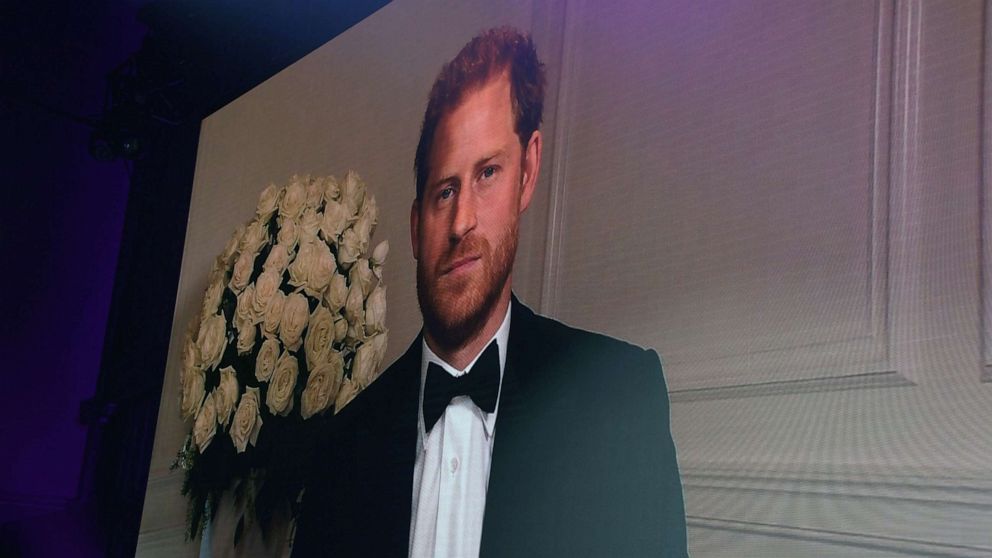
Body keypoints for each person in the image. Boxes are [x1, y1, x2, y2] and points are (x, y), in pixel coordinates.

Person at [293, 27, 687, 557]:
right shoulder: (338, 450)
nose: (461, 222)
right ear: (415, 227)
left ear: (527, 172)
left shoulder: (618, 398)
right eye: (445, 191)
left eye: (488, 173)